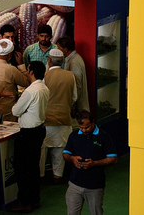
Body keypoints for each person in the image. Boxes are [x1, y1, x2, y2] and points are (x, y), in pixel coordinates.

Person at [9, 61, 49, 213]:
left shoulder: (30, 91)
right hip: (39, 130)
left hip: (28, 133)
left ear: (31, 71)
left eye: (27, 70)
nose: (26, 72)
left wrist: (22, 112)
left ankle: (25, 201)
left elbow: (15, 110)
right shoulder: (44, 88)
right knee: (32, 168)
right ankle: (34, 199)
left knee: (22, 168)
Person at [63, 111, 117, 215]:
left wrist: (95, 163)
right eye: (81, 127)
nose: (83, 130)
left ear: (93, 123)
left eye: (87, 127)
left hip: (95, 187)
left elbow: (113, 158)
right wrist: (72, 158)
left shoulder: (103, 136)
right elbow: (65, 154)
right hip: (74, 184)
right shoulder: (74, 135)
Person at [40, 49, 77, 183]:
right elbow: (74, 97)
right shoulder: (70, 76)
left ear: (49, 61)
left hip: (47, 120)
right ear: (62, 62)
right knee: (60, 151)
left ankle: (41, 175)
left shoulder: (45, 76)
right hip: (64, 119)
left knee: (42, 151)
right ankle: (57, 176)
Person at [0, 38, 30, 127]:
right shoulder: (11, 70)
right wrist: (21, 64)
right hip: (7, 114)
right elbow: (27, 82)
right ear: (10, 54)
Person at [57, 36, 90, 113]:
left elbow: (77, 85)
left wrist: (72, 104)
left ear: (65, 50)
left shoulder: (74, 62)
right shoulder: (72, 59)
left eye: (59, 48)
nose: (58, 50)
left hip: (78, 106)